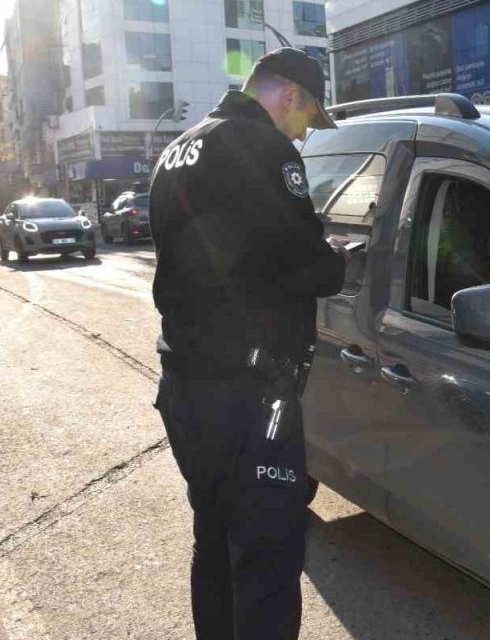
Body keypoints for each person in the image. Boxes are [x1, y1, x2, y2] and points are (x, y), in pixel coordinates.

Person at [149, 48, 347, 640]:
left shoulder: (178, 149)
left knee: (213, 541)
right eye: (309, 117)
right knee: (266, 560)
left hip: (185, 389)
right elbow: (300, 264)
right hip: (248, 398)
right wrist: (335, 260)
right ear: (290, 96)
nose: (307, 132)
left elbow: (225, 256)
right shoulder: (264, 147)